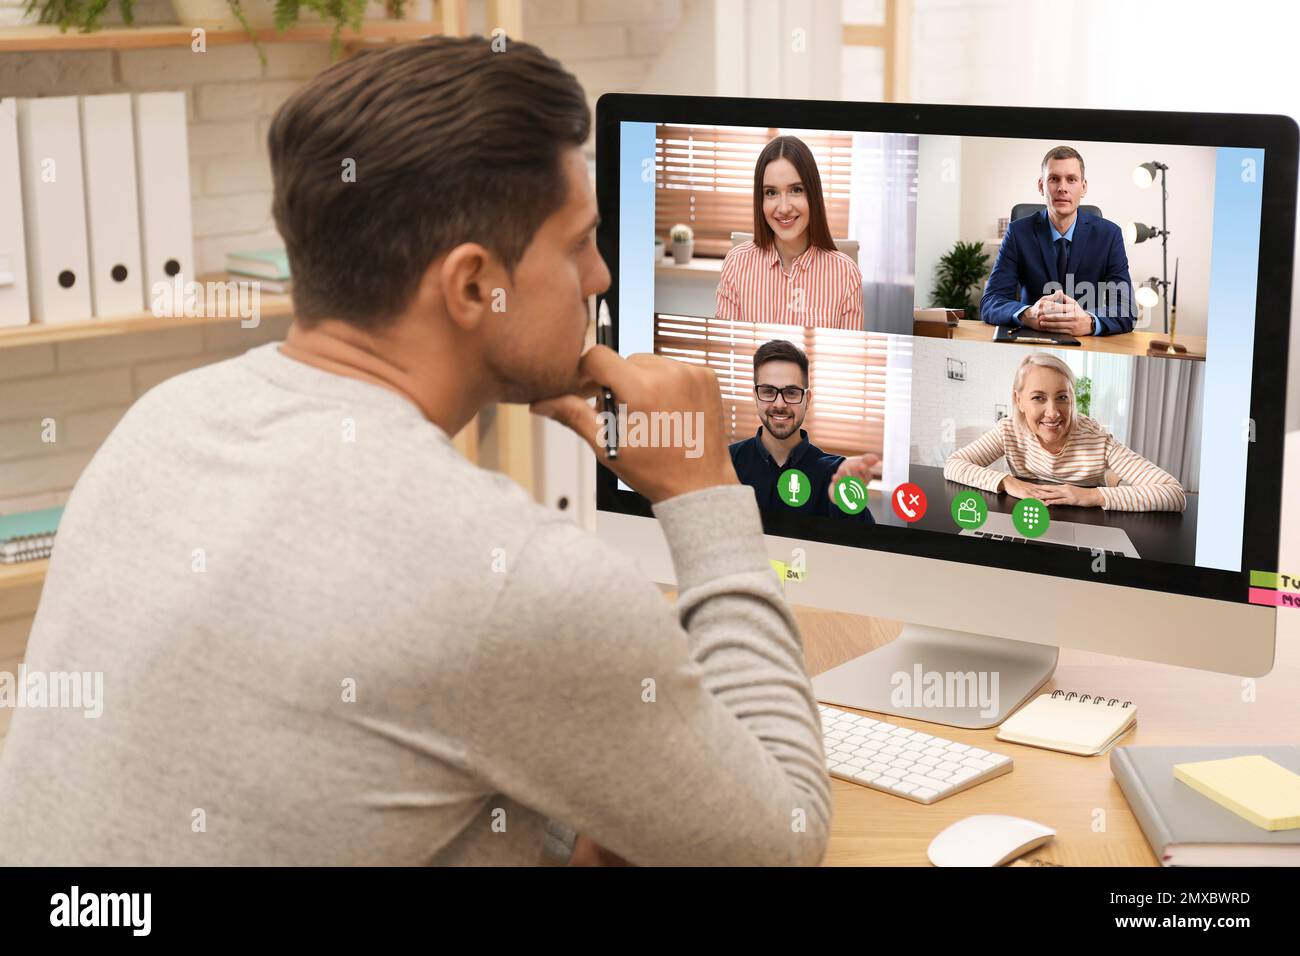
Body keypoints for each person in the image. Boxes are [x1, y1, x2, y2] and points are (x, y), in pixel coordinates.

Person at [0, 38, 831, 867]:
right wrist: (704, 491)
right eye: (578, 242)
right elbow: (781, 839)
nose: (602, 277)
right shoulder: (510, 583)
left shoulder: (159, 422)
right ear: (473, 286)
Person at [944, 353, 1186, 512]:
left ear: (1072, 400)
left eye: (1062, 398)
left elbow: (1173, 493)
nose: (1053, 412)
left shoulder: (1097, 439)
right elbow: (953, 464)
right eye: (1038, 398)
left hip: (1086, 522)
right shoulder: (1008, 430)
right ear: (1019, 400)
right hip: (1031, 520)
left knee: (1113, 479)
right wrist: (1007, 482)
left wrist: (1092, 496)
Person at [979, 146, 1138, 336]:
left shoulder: (1109, 235)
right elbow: (991, 301)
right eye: (1054, 179)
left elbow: (1126, 308)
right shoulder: (1018, 233)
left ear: (1083, 187)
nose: (1062, 187)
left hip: (1087, 341)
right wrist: (1027, 314)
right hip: (1032, 338)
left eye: (1071, 179)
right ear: (1041, 185)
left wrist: (1090, 322)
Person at [715, 135, 864, 330]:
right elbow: (728, 347)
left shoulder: (846, 274)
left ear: (813, 194)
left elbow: (846, 357)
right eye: (771, 192)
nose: (784, 207)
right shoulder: (736, 264)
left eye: (796, 189)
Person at [730, 340, 878, 520]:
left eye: (791, 392)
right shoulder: (727, 463)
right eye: (768, 391)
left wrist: (843, 503)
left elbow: (863, 544)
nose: (779, 404)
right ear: (755, 396)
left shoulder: (835, 473)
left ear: (807, 399)